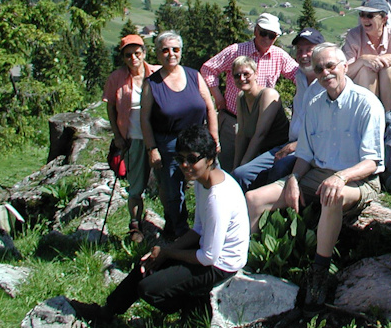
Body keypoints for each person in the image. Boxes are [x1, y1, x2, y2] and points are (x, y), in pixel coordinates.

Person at [245, 43, 385, 313]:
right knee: (254, 198)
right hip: (318, 174)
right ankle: (248, 262)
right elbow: (306, 154)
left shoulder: (366, 104)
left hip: (358, 179)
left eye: (331, 66)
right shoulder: (314, 105)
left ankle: (319, 271)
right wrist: (295, 179)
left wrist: (341, 177)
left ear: (345, 66)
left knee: (332, 195)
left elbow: (372, 161)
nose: (325, 72)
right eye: (319, 68)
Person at [70, 125, 249, 323]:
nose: (185, 165)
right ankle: (107, 312)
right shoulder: (202, 181)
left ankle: (193, 308)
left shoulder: (218, 197)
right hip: (208, 251)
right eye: (180, 159)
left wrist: (167, 252)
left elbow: (209, 257)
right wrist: (163, 252)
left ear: (209, 159)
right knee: (147, 265)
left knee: (148, 289)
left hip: (222, 263)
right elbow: (198, 229)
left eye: (192, 159)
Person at [142, 31, 219, 239]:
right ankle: (178, 232)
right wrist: (152, 149)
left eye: (175, 49)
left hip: (199, 141)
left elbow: (210, 108)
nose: (171, 54)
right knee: (173, 192)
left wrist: (214, 139)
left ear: (181, 51)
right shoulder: (152, 84)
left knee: (210, 185)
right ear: (158, 54)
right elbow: (145, 120)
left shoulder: (194, 76)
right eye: (165, 50)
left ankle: (210, 227)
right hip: (169, 143)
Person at [200, 13, 299, 172]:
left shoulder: (279, 55)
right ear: (255, 31)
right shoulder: (236, 50)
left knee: (250, 174)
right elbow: (208, 69)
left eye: (272, 35)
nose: (266, 38)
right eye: (263, 33)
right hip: (234, 121)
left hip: (264, 127)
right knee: (227, 168)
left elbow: (298, 75)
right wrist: (218, 97)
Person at [232, 28, 326, 190]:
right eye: (299, 50)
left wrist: (296, 145)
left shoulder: (327, 85)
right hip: (290, 144)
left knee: (279, 169)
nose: (303, 55)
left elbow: (327, 131)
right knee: (242, 174)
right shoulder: (300, 77)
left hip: (311, 148)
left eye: (309, 50)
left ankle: (273, 211)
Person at [102, 34, 160, 242]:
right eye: (128, 55)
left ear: (144, 53)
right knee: (135, 186)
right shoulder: (116, 78)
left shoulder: (156, 73)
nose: (133, 58)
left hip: (157, 138)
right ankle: (135, 226)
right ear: (123, 57)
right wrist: (117, 135)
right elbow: (110, 106)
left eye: (137, 53)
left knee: (165, 184)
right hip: (133, 138)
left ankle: (171, 225)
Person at [342, 0, 391, 112]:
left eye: (370, 16)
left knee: (389, 70)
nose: (364, 19)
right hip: (360, 89)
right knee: (367, 71)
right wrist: (362, 60)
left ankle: (389, 117)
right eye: (361, 14)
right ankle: (368, 116)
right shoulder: (353, 36)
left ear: (384, 19)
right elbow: (345, 73)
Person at [231, 55, 290, 174]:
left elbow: (260, 134)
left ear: (256, 74)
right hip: (260, 150)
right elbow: (241, 133)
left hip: (276, 150)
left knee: (242, 173)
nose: (242, 79)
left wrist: (243, 165)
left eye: (246, 74)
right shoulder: (241, 97)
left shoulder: (268, 95)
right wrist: (235, 165)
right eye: (237, 75)